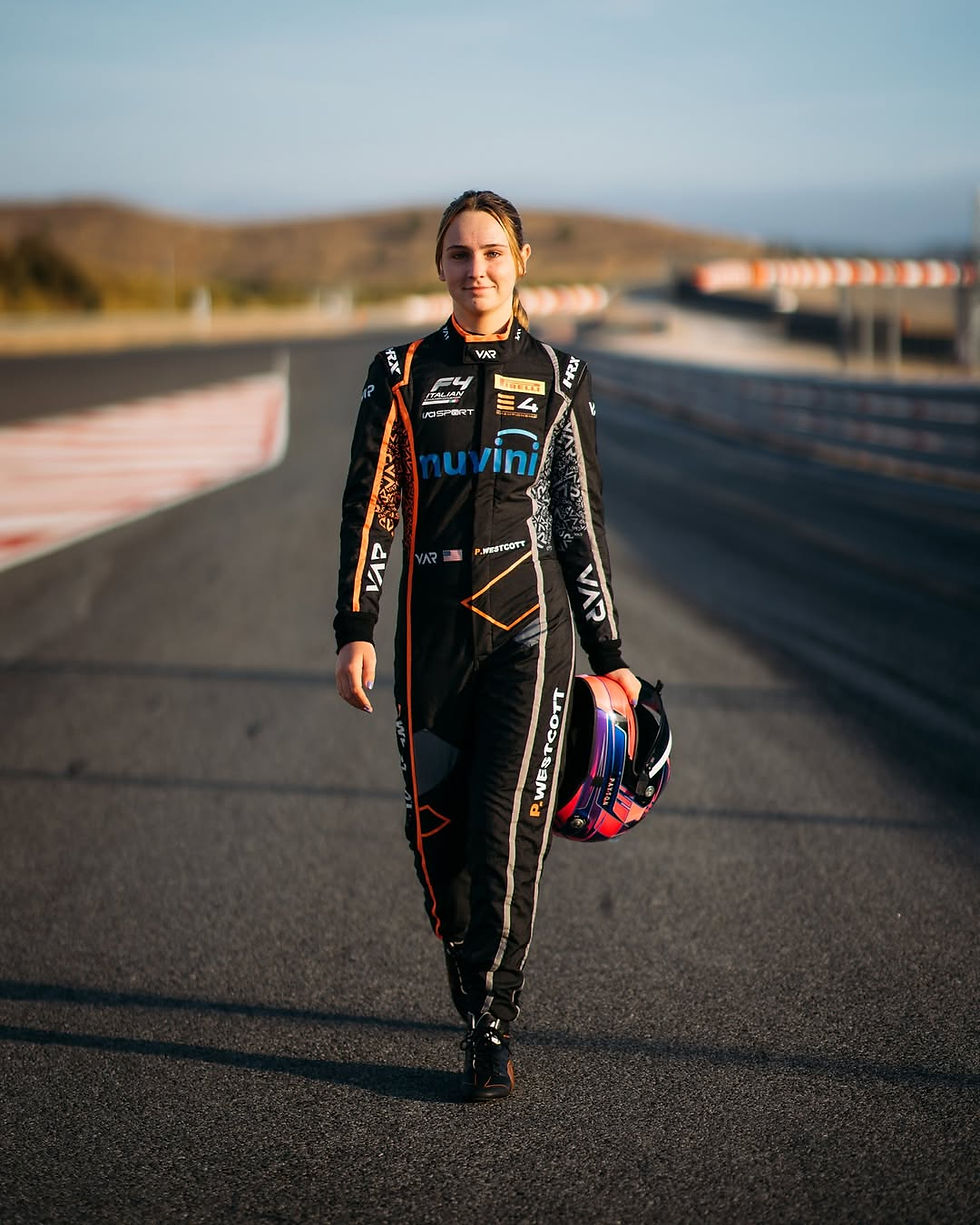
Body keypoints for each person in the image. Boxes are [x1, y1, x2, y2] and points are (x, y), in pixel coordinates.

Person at [334, 189, 639, 1102]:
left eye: (494, 253)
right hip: (432, 640)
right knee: (443, 849)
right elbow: (371, 513)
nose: (479, 270)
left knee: (509, 822)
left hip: (530, 632)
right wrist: (356, 626)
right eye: (461, 254)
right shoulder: (398, 373)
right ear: (441, 266)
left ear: (522, 260)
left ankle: (492, 1027)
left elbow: (580, 527)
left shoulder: (557, 377)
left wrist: (610, 651)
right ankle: (473, 977)